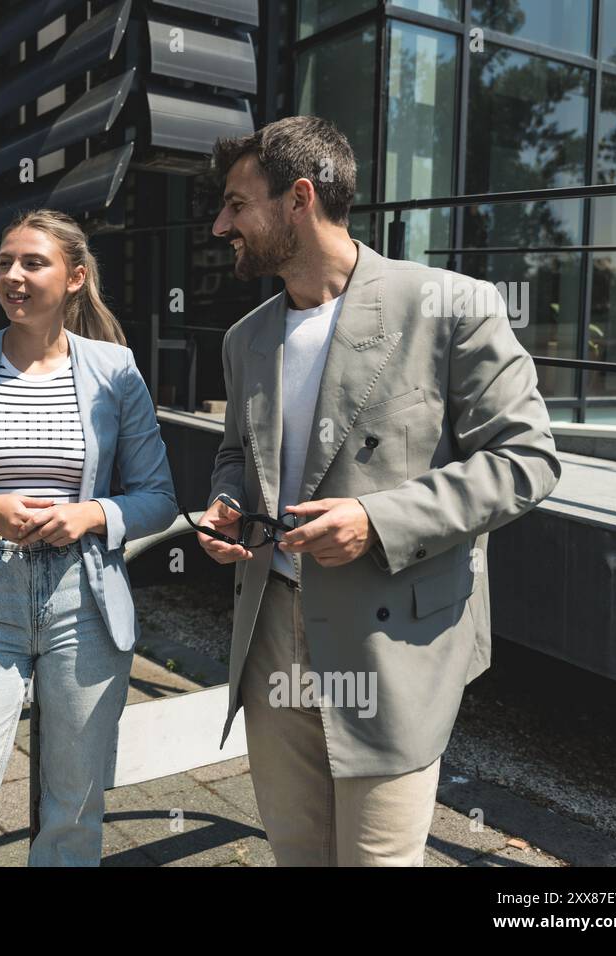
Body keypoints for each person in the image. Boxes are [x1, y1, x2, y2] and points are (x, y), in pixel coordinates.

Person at [195, 116, 561, 865]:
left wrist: (377, 518)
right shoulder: (246, 339)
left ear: (298, 199)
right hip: (269, 641)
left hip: (390, 643)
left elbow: (527, 459)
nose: (219, 224)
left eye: (237, 204)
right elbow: (237, 453)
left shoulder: (453, 305)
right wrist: (229, 503)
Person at [0, 209, 178, 866]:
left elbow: (158, 497)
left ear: (75, 277)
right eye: (3, 262)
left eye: (32, 263)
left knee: (72, 817)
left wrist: (91, 515)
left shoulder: (116, 369)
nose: (12, 276)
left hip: (86, 600)